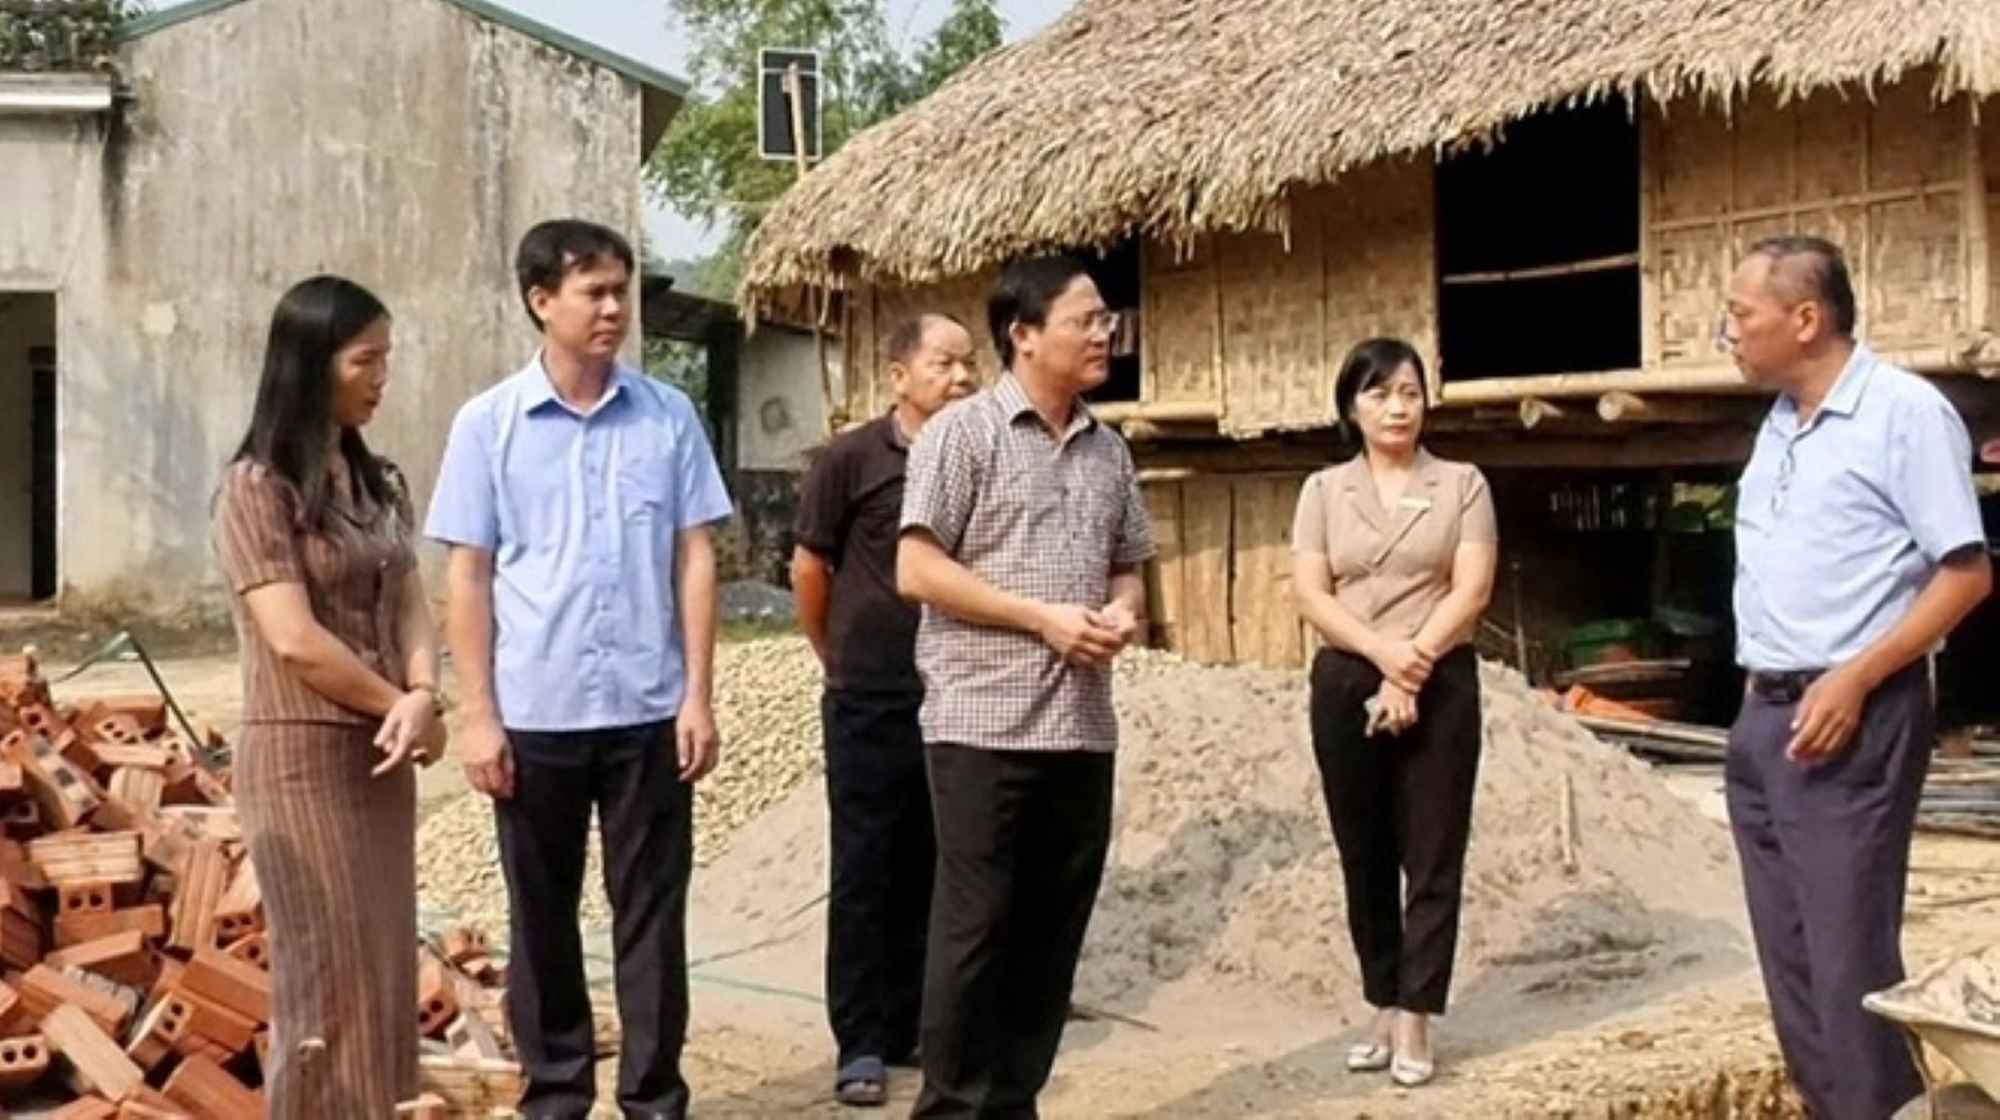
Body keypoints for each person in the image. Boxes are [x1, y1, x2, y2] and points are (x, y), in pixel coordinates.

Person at [425, 220, 734, 1120]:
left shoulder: (668, 417)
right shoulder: (488, 426)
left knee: (650, 917)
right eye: (593, 292)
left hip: (647, 712)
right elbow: (468, 576)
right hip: (536, 714)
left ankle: (652, 1098)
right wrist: (478, 714)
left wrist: (698, 695)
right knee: (543, 918)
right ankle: (556, 1095)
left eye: (620, 291)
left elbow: (696, 558)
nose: (613, 309)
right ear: (540, 301)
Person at [1721, 235, 1991, 1120]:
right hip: (1765, 717)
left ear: (1805, 320)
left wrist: (1856, 678)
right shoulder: (1781, 424)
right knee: (1791, 964)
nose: (1728, 331)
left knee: (1847, 961)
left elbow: (1966, 573)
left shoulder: (1903, 415)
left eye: (1741, 314)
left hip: (1851, 715)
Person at [896, 255, 1156, 1119]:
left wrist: (1120, 614)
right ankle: (951, 1108)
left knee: (1052, 937)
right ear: (1025, 334)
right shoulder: (960, 435)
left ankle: (1015, 1104)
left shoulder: (1109, 450)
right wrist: (1039, 617)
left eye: (1105, 318)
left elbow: (1130, 572)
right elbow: (918, 568)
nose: (1103, 332)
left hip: (1082, 727)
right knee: (974, 933)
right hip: (981, 723)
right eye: (1086, 319)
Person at [211, 275, 446, 1118]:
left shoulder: (377, 480)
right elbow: (293, 639)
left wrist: (424, 690)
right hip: (303, 759)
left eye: (387, 358)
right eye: (365, 360)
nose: (382, 378)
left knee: (383, 977)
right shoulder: (256, 490)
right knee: (325, 984)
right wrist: (399, 705)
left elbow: (413, 596)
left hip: (381, 758)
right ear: (311, 366)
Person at [1288, 337, 1497, 1089]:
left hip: (1441, 675)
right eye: (1379, 394)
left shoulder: (1463, 484)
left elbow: (1469, 590)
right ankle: (1381, 999)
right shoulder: (1322, 491)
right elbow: (1312, 593)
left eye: (1409, 391)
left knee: (1433, 852)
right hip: (1349, 676)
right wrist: (1383, 657)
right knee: (1364, 851)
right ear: (1352, 406)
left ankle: (1417, 1014)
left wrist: (1412, 666)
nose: (1397, 407)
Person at [792, 313, 979, 1106]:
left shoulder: (982, 453)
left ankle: (923, 1027)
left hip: (963, 691)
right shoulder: (852, 458)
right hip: (871, 692)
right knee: (868, 864)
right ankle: (862, 1039)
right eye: (944, 364)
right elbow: (810, 567)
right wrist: (838, 656)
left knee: (944, 863)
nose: (963, 378)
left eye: (970, 365)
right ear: (899, 374)